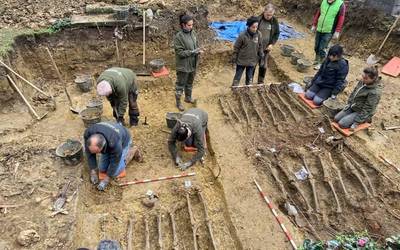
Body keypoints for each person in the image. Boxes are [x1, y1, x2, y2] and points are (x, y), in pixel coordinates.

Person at [84, 122, 142, 191]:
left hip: (123, 142)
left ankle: (132, 150)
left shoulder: (115, 143)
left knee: (115, 173)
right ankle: (110, 155)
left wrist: (106, 180)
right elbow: (89, 153)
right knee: (102, 169)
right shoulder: (88, 134)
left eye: (97, 152)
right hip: (111, 137)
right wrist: (93, 171)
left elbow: (114, 162)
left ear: (103, 146)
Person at [174, 14, 203, 111]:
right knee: (180, 84)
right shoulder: (179, 37)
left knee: (190, 82)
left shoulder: (192, 33)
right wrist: (192, 52)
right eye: (189, 25)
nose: (191, 27)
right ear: (183, 25)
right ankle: (178, 103)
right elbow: (180, 52)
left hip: (192, 64)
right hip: (183, 66)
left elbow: (195, 45)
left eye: (192, 25)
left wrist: (198, 50)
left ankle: (188, 97)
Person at [311, 0, 346, 69]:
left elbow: (341, 18)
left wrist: (337, 31)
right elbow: (319, 13)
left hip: (329, 31)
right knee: (316, 46)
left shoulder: (340, 4)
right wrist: (314, 24)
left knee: (322, 48)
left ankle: (321, 63)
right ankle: (316, 60)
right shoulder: (324, 1)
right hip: (320, 28)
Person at [231, 16, 264, 87]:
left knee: (249, 78)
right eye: (253, 27)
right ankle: (234, 88)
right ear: (249, 26)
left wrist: (261, 55)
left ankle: (248, 89)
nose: (255, 29)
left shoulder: (259, 35)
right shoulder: (242, 35)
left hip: (252, 61)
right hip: (241, 60)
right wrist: (234, 57)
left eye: (256, 27)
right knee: (237, 76)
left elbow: (260, 46)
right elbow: (236, 47)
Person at [255, 3, 280, 84]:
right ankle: (249, 81)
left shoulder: (274, 21)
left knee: (263, 66)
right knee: (252, 65)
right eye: (267, 15)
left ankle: (260, 82)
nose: (269, 17)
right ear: (264, 12)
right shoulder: (258, 20)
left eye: (271, 15)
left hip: (266, 48)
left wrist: (272, 44)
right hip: (256, 47)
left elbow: (277, 33)